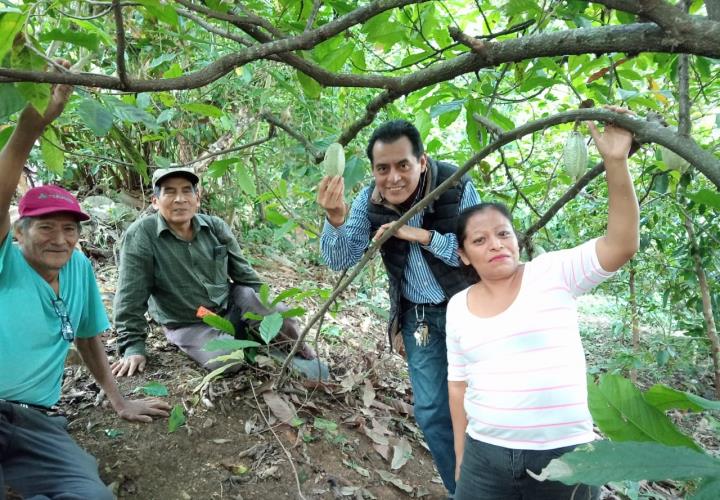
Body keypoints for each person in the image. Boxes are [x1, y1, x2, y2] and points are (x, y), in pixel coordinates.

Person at [447, 111, 639, 500]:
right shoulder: (457, 306)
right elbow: (457, 386)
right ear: (464, 255)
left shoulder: (553, 273)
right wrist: (461, 454)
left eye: (503, 233)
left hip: (567, 457)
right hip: (485, 457)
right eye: (480, 240)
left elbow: (621, 244)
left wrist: (614, 162)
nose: (496, 244)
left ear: (517, 239)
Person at [0, 72, 171, 499]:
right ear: (18, 232)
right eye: (45, 228)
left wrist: (119, 400)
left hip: (36, 421)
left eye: (69, 228)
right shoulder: (4, 259)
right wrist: (29, 129)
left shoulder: (77, 267)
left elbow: (90, 338)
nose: (60, 238)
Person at [317, 119, 481, 494]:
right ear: (373, 170)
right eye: (382, 169)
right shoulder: (368, 201)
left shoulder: (456, 186)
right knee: (432, 412)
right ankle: (462, 491)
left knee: (481, 407)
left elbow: (479, 252)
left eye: (402, 165)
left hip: (469, 310)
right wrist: (335, 217)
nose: (392, 178)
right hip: (419, 317)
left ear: (421, 161)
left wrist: (420, 235)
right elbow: (339, 258)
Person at [111, 167, 319, 378]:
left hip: (229, 305)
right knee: (228, 359)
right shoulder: (141, 235)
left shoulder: (215, 227)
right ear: (155, 201)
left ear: (197, 198)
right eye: (170, 192)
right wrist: (132, 347)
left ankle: (294, 347)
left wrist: (270, 310)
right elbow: (130, 296)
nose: (180, 199)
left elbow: (246, 276)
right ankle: (237, 338)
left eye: (186, 191)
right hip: (189, 321)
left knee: (277, 313)